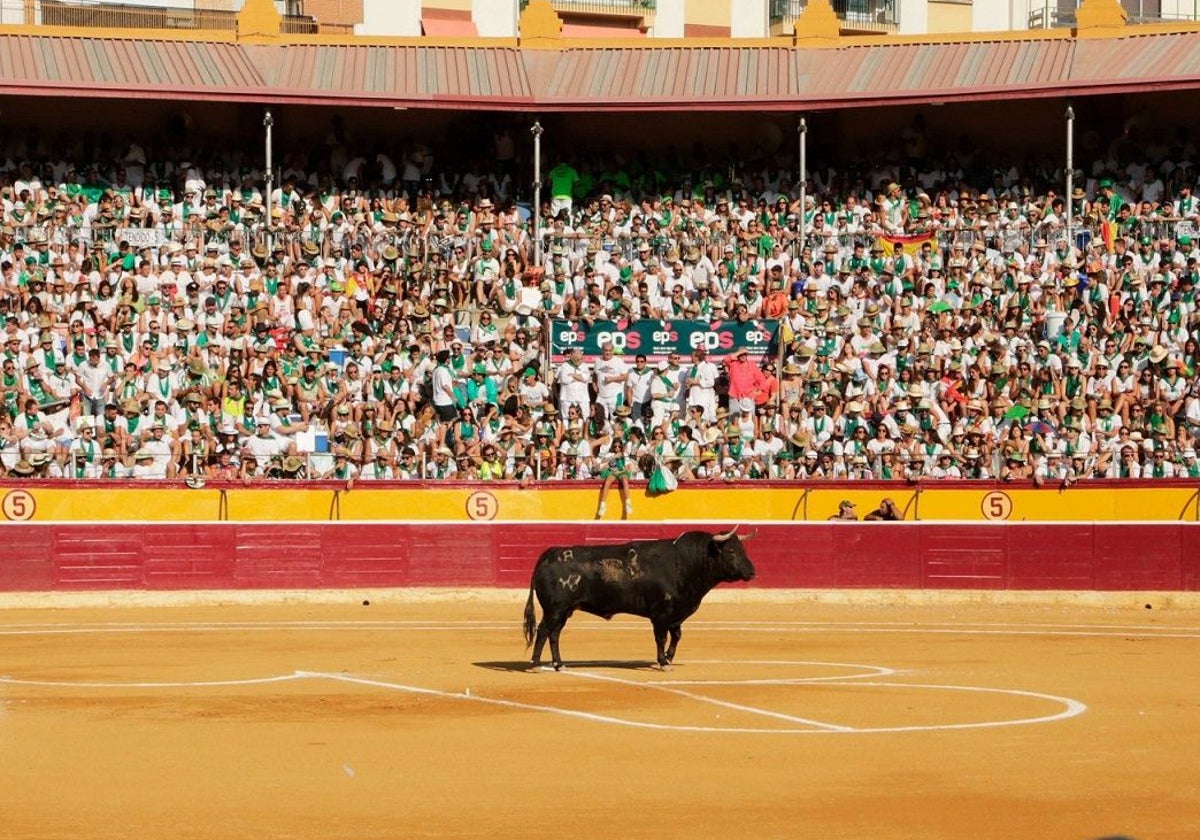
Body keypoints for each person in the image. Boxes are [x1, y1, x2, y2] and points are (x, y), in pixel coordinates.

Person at [595, 438, 633, 520]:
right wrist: (614, 456)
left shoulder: (624, 455)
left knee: (625, 480)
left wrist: (620, 472)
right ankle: (602, 504)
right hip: (612, 471)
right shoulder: (610, 454)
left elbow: (627, 467)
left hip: (622, 471)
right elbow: (603, 461)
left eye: (619, 446)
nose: (617, 448)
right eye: (615, 446)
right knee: (608, 481)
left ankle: (628, 502)